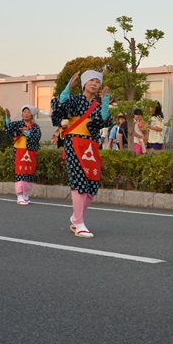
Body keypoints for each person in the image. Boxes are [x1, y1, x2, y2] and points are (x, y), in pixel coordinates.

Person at [51, 70, 111, 238]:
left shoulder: (98, 105)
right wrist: (67, 88)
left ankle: (76, 217)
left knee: (92, 185)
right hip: (74, 142)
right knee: (79, 181)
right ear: (84, 83)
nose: (94, 84)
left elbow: (105, 120)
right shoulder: (74, 100)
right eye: (91, 80)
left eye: (97, 81)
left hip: (91, 145)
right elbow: (58, 110)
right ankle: (78, 223)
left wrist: (105, 101)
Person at [6, 105, 42, 205]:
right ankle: (20, 195)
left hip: (30, 151)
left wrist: (28, 133)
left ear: (32, 114)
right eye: (24, 111)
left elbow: (37, 137)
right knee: (20, 171)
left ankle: (26, 194)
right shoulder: (17, 124)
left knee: (29, 172)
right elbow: (8, 131)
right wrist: (8, 121)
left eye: (28, 112)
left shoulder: (35, 126)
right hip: (19, 151)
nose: (25, 113)